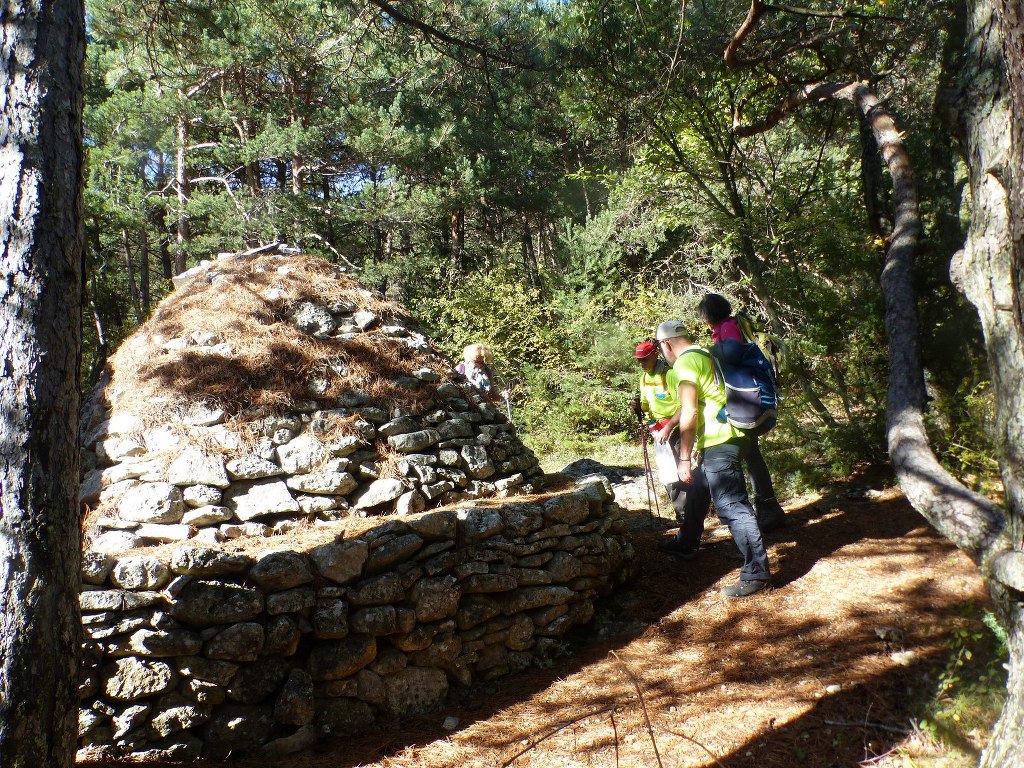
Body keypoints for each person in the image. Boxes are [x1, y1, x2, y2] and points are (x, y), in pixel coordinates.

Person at [654, 320, 771, 598]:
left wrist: (683, 457)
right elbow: (695, 405)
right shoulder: (707, 354)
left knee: (731, 504)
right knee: (698, 488)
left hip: (722, 439)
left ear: (666, 344)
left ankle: (757, 574)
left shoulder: (684, 365)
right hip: (734, 433)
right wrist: (678, 430)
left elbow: (690, 412)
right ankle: (687, 542)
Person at [696, 294, 786, 532]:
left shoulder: (727, 328)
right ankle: (768, 508)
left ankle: (762, 510)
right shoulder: (730, 326)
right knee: (752, 454)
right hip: (745, 398)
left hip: (745, 400)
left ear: (709, 315)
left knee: (751, 455)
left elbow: (734, 352)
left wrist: (712, 350)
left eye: (703, 315)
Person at [631, 340, 710, 557]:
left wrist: (668, 426)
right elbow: (647, 405)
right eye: (638, 360)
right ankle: (683, 515)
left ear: (655, 354)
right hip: (658, 429)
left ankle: (687, 516)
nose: (641, 363)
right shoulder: (645, 378)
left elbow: (684, 405)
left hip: (673, 426)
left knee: (678, 470)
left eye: (644, 359)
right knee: (667, 472)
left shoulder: (671, 373)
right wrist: (639, 409)